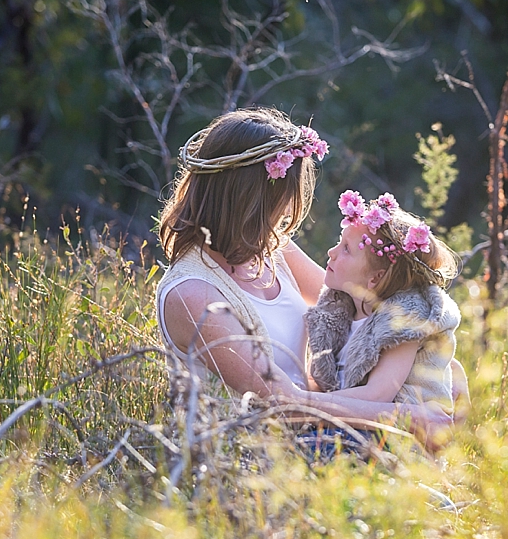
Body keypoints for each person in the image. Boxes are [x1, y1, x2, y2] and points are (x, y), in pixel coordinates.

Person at [155, 107, 456, 452]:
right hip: (248, 463)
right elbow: (281, 402)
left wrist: (437, 373)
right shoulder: (193, 294)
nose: (287, 213)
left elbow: (373, 306)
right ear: (247, 199)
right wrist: (404, 417)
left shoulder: (271, 248)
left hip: (325, 436)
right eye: (282, 200)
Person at [304, 190, 470, 420]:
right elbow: (321, 381)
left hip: (400, 438)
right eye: (338, 243)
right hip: (346, 426)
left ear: (375, 278)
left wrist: (301, 402)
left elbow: (377, 395)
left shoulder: (404, 322)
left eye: (346, 250)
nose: (331, 253)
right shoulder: (337, 313)